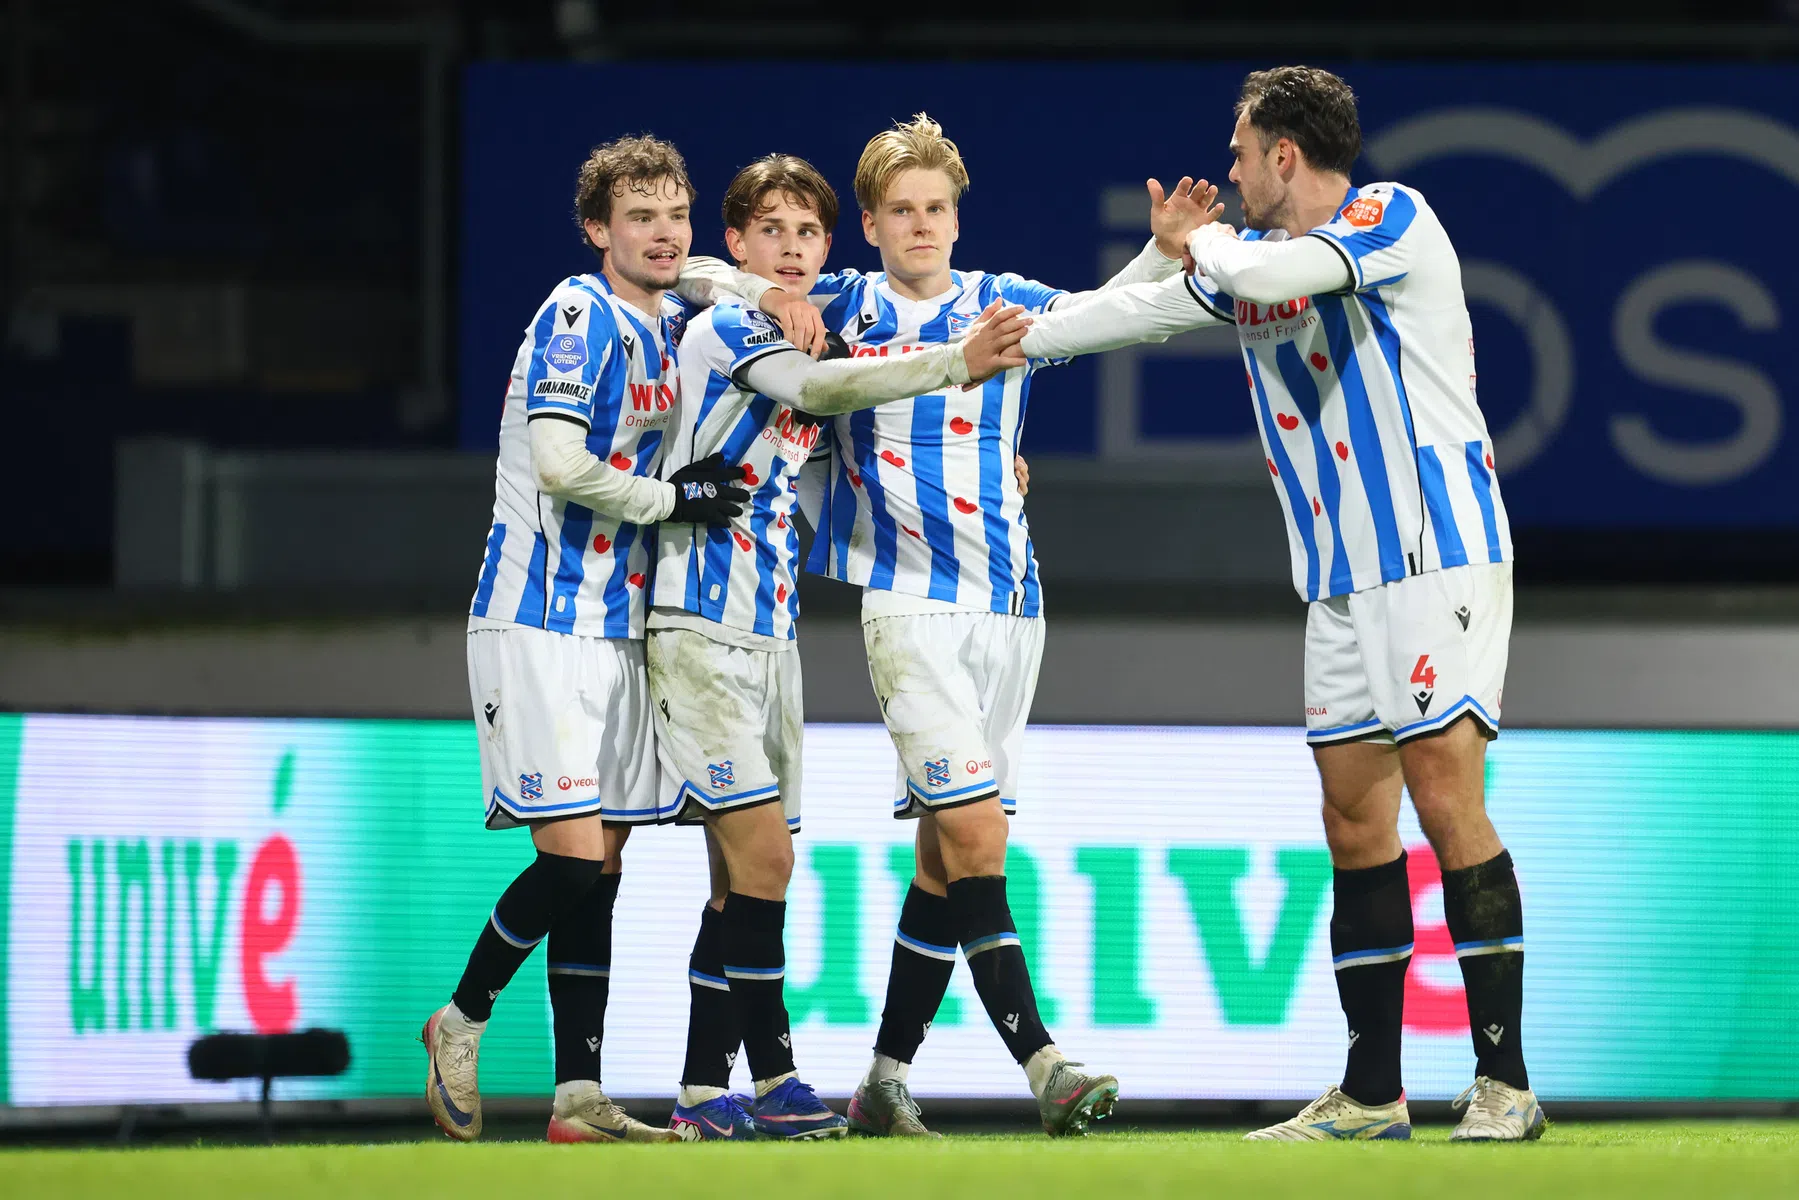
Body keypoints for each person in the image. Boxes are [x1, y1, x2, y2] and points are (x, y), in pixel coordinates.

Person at [1017, 65, 1543, 1143]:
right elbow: (1124, 317)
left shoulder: (1388, 218)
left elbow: (1260, 277)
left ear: (1283, 157)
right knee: (1353, 820)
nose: (1228, 170)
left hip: (1431, 551)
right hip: (1338, 576)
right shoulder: (1246, 261)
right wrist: (980, 350)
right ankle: (1368, 1094)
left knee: (1445, 803)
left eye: (1239, 150)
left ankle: (1504, 1084)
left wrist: (1194, 242)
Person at [797, 114, 1211, 1138]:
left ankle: (884, 1083)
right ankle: (1044, 1065)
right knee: (976, 836)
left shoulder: (1001, 303)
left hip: (1012, 603)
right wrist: (760, 287)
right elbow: (735, 291)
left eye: (935, 207)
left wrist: (1160, 254)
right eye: (900, 210)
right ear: (868, 223)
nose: (921, 225)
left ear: (954, 213)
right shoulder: (842, 307)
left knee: (948, 857)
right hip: (906, 605)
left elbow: (1104, 318)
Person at [420, 133, 821, 1145]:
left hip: (622, 630)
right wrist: (669, 497)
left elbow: (704, 273)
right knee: (565, 863)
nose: (660, 233)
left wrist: (757, 287)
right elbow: (557, 461)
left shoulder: (680, 313)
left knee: (602, 867)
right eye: (636, 216)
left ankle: (577, 1099)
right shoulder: (575, 313)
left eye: (672, 213)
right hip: (534, 620)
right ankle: (460, 1020)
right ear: (595, 230)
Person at [651, 152, 1032, 1141]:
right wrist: (748, 288)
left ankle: (702, 1089)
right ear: (738, 241)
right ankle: (765, 1080)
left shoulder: (810, 322)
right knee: (758, 861)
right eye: (768, 232)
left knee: (742, 876)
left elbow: (822, 451)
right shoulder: (736, 323)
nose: (788, 249)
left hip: (769, 634)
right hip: (697, 621)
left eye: (803, 234)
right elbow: (809, 382)